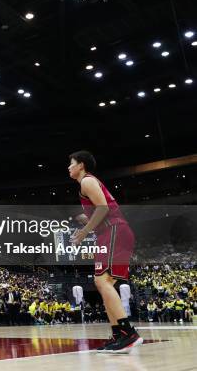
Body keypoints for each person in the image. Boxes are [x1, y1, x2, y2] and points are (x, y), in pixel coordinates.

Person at [68, 150, 142, 353]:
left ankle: (129, 333)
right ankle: (118, 334)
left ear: (81, 165)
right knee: (102, 283)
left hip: (114, 230)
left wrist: (83, 232)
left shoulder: (87, 181)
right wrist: (85, 221)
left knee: (102, 282)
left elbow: (103, 209)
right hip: (111, 231)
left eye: (71, 163)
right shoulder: (87, 184)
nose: (69, 167)